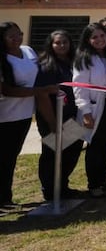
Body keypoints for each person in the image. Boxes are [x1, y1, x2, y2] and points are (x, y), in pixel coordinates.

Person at [34, 29, 83, 201]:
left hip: (72, 116)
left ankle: (62, 186)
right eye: (57, 43)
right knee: (52, 153)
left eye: (65, 42)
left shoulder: (73, 63)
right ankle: (49, 189)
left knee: (71, 151)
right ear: (51, 44)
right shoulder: (46, 65)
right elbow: (42, 96)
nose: (62, 45)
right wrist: (52, 122)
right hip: (53, 117)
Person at [0, 22, 41, 208]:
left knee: (11, 157)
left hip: (24, 115)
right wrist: (39, 91)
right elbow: (7, 90)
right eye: (11, 36)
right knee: (4, 158)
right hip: (6, 116)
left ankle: (5, 198)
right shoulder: (3, 59)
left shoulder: (28, 51)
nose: (17, 39)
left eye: (19, 34)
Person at [73, 22, 106, 198]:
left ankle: (103, 179)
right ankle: (94, 183)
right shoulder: (84, 58)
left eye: (102, 36)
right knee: (94, 146)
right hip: (93, 108)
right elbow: (79, 87)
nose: (99, 40)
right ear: (87, 40)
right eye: (94, 37)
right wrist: (86, 112)